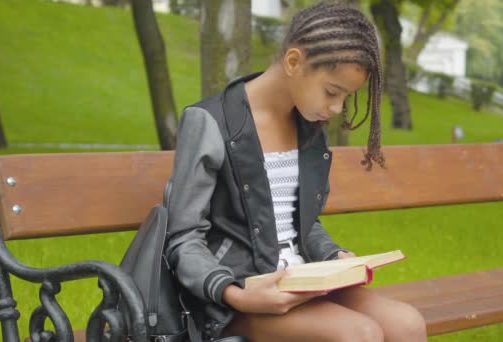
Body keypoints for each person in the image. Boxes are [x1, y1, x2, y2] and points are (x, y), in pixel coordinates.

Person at [164, 2, 427, 341]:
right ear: (293, 61)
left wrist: (333, 256)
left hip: (302, 281)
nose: (336, 109)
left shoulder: (308, 126)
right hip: (238, 296)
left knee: (408, 324)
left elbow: (299, 223)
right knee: (358, 335)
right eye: (333, 92)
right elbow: (183, 239)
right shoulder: (211, 123)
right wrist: (237, 294)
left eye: (346, 98)